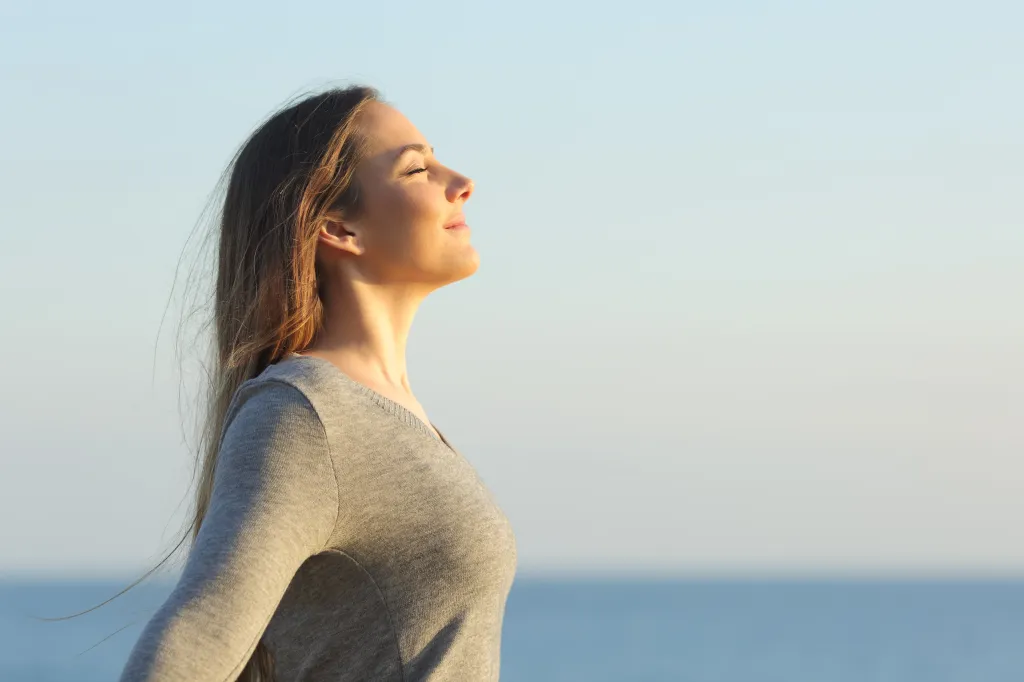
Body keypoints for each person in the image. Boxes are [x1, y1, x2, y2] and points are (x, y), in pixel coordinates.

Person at [117, 84, 518, 681]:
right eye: (417, 168)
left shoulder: (379, 411)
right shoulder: (304, 415)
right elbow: (187, 650)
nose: (460, 181)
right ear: (336, 228)